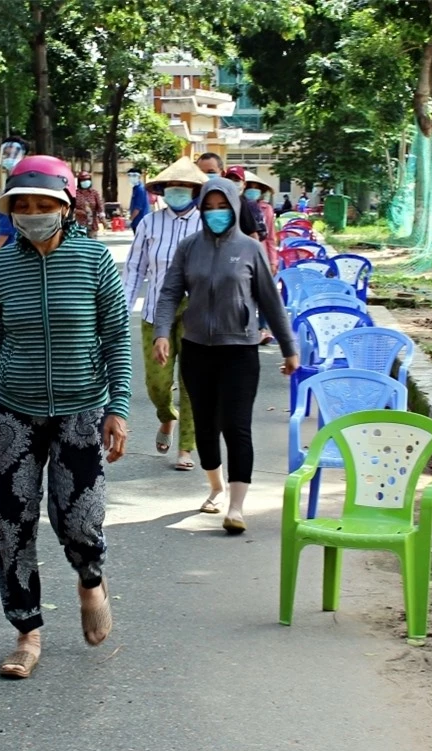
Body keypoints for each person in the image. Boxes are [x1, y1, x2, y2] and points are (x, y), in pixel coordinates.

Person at [0, 155, 131, 680]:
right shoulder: (2, 266)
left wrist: (117, 408)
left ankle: (90, 578)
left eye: (44, 204)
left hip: (81, 410)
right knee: (13, 521)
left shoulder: (94, 261)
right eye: (21, 204)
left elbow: (117, 337)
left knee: (79, 518)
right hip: (17, 415)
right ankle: (26, 630)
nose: (32, 212)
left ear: (65, 207)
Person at [151, 177, 299, 534]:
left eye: (222, 206)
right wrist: (161, 333)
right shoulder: (189, 247)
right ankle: (215, 487)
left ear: (234, 208)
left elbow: (270, 301)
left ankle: (236, 506)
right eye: (209, 207)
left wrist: (289, 347)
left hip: (240, 350)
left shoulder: (250, 249)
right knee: (205, 426)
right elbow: (170, 292)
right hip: (197, 349)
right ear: (202, 210)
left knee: (236, 426)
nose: (216, 213)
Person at [122, 156, 206, 472]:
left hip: (197, 315)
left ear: (195, 190)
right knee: (157, 382)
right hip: (156, 312)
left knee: (192, 381)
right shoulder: (149, 223)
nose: (178, 191)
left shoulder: (205, 223)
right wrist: (122, 308)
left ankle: (186, 448)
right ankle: (166, 416)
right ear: (163, 190)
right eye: (172, 186)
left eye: (184, 187)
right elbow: (135, 268)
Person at [243, 169, 280, 345]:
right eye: (249, 187)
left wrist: (273, 260)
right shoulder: (238, 206)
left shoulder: (267, 209)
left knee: (264, 295)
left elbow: (271, 237)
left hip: (262, 255)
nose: (252, 191)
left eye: (256, 188)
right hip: (242, 256)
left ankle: (263, 329)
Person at [0, 136, 29, 252]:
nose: (8, 158)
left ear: (23, 156)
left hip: (13, 247)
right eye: (6, 154)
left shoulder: (20, 184)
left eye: (12, 154)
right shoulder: (11, 182)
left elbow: (6, 226)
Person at [222, 165, 269, 242]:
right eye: (229, 180)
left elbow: (259, 234)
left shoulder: (249, 205)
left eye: (236, 180)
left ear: (244, 184)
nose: (233, 183)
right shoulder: (222, 204)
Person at [74, 170, 105, 238]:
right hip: (79, 225)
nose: (85, 182)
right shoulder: (75, 194)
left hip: (93, 224)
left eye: (87, 180)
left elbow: (100, 207)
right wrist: (78, 211)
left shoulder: (94, 193)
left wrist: (102, 218)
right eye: (83, 180)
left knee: (92, 245)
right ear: (79, 181)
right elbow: (70, 208)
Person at [127, 166, 151, 231]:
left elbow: (138, 208)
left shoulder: (140, 189)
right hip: (137, 221)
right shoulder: (135, 188)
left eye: (134, 176)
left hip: (140, 221)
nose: (131, 178)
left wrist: (130, 219)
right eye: (130, 176)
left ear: (139, 177)